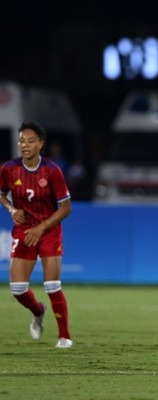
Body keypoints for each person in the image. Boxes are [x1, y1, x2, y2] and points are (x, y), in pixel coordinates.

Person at [0, 122, 73, 349]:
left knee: (52, 284)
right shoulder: (8, 169)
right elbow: (1, 194)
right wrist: (11, 209)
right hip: (23, 231)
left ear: (41, 144)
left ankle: (64, 336)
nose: (25, 145)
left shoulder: (52, 171)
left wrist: (41, 228)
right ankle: (38, 311)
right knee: (18, 290)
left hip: (49, 230)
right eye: (22, 140)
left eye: (31, 141)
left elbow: (66, 208)